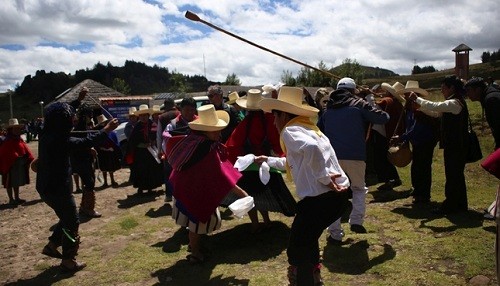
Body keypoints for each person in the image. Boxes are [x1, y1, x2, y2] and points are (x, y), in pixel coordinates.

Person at [255, 86, 350, 285]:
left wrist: (325, 179)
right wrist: (267, 160)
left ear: (284, 115)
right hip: (335, 198)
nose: (274, 122)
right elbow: (295, 162)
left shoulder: (290, 130)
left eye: (275, 116)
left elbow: (312, 150)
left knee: (298, 249)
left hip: (320, 200)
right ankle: (314, 276)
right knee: (307, 240)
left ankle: (305, 280)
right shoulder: (308, 129)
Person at [36, 101, 118, 272]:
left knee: (66, 217)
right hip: (57, 188)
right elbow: (85, 142)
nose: (73, 120)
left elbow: (58, 111)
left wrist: (77, 101)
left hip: (45, 187)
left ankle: (52, 245)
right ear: (63, 121)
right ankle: (68, 259)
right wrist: (106, 130)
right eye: (71, 118)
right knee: (72, 221)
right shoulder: (60, 140)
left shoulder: (46, 133)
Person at [166, 104, 249, 264]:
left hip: (187, 187)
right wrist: (242, 194)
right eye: (215, 129)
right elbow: (222, 176)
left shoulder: (193, 140)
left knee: (195, 222)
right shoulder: (206, 149)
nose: (219, 133)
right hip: (193, 191)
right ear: (204, 130)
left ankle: (196, 245)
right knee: (196, 224)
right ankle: (195, 253)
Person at [318, 77, 389, 243]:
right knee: (358, 188)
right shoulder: (359, 105)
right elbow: (383, 117)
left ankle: (335, 233)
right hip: (356, 155)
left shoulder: (328, 109)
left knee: (334, 193)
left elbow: (319, 129)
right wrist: (369, 100)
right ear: (352, 91)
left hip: (333, 157)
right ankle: (356, 220)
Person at [224, 89, 296, 233]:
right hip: (266, 164)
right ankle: (267, 220)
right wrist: (281, 156)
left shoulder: (244, 123)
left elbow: (232, 145)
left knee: (250, 196)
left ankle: (255, 224)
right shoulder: (270, 121)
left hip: (248, 167)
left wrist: (231, 164)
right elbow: (278, 142)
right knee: (263, 194)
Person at [408, 76, 469, 214]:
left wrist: (417, 99)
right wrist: (420, 108)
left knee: (454, 175)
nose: (442, 91)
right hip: (454, 145)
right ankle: (458, 204)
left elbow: (436, 106)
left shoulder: (455, 103)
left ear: (451, 88)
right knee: (454, 175)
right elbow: (436, 113)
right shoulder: (454, 102)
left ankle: (452, 205)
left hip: (456, 145)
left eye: (443, 88)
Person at [399, 85, 440, 204]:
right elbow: (409, 125)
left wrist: (402, 137)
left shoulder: (421, 109)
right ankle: (417, 189)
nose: (406, 97)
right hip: (417, 141)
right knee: (417, 166)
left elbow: (417, 128)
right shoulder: (410, 108)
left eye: (408, 95)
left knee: (423, 167)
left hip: (425, 141)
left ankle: (424, 194)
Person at [465, 77, 500, 217]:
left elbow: (498, 125)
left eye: (469, 91)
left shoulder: (491, 99)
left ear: (477, 90)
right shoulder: (492, 95)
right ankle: (496, 208)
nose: (468, 95)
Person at [161, 97, 198, 202]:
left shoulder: (202, 123)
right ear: (180, 109)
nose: (190, 112)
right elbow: (166, 144)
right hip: (180, 165)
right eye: (187, 109)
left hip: (198, 164)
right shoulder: (172, 125)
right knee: (181, 193)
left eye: (192, 109)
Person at [70, 101, 102, 218]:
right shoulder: (80, 128)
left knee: (88, 183)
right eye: (90, 115)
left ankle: (84, 206)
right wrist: (89, 150)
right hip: (81, 160)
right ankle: (89, 208)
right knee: (89, 183)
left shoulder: (83, 127)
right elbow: (81, 144)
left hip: (84, 159)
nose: (92, 117)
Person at [373, 82, 405, 190]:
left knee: (383, 157)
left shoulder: (388, 101)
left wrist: (370, 96)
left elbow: (376, 107)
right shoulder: (396, 103)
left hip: (384, 133)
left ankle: (389, 180)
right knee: (385, 157)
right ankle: (392, 178)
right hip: (390, 132)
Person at [127, 104, 163, 195]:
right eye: (141, 116)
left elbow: (157, 135)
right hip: (140, 153)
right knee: (141, 170)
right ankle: (141, 188)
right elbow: (132, 140)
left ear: (148, 115)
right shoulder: (137, 126)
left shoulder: (153, 124)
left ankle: (150, 188)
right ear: (139, 116)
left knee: (151, 169)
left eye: (145, 115)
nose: (143, 117)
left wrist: (153, 142)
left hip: (151, 152)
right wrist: (141, 144)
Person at [0, 118, 34, 205]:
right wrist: (13, 158)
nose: (18, 130)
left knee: (16, 181)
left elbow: (24, 149)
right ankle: (11, 199)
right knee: (9, 182)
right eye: (16, 129)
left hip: (18, 164)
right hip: (9, 165)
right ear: (11, 130)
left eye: (18, 128)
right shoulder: (7, 141)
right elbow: (4, 153)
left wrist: (27, 156)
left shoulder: (19, 139)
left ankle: (17, 197)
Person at [95, 114, 121, 188]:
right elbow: (96, 142)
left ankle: (112, 180)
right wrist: (101, 148)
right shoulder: (99, 132)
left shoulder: (111, 131)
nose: (104, 124)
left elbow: (114, 140)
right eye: (102, 123)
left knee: (111, 167)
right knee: (104, 167)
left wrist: (113, 148)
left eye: (105, 122)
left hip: (110, 151)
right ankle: (105, 182)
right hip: (102, 152)